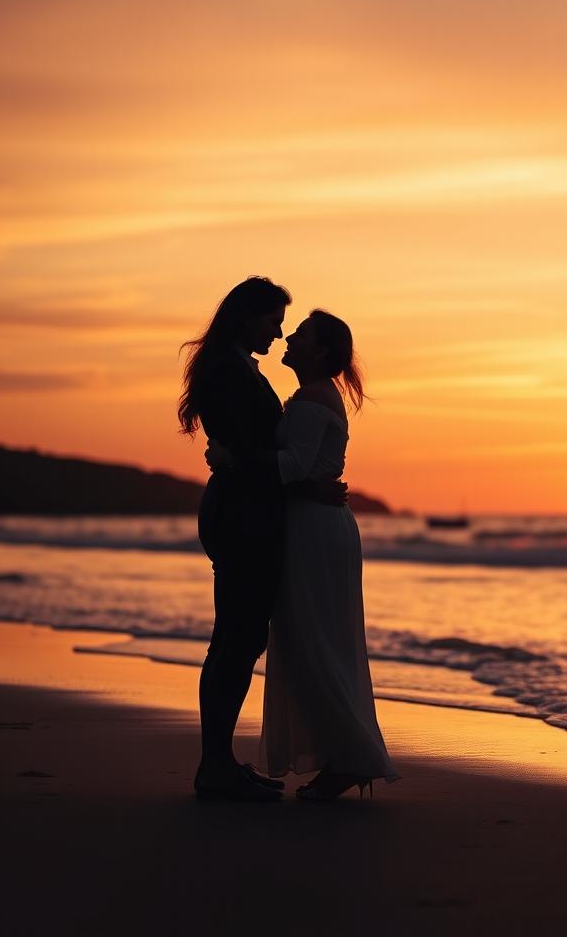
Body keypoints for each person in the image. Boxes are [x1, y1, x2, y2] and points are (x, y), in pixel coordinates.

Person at [209, 309, 398, 799]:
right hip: (312, 526)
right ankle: (344, 757)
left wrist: (235, 458)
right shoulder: (311, 396)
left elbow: (292, 465)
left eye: (301, 334)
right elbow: (303, 471)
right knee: (314, 639)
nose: (288, 337)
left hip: (314, 532)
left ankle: (349, 759)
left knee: (315, 641)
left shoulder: (313, 400)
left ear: (321, 351)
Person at [178, 278, 346, 802]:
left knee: (240, 637)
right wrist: (303, 481)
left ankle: (219, 761)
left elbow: (249, 449)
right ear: (248, 316)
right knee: (234, 640)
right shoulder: (227, 370)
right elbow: (251, 450)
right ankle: (214, 766)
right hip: (242, 517)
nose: (277, 333)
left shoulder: (235, 366)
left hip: (247, 513)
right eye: (274, 321)